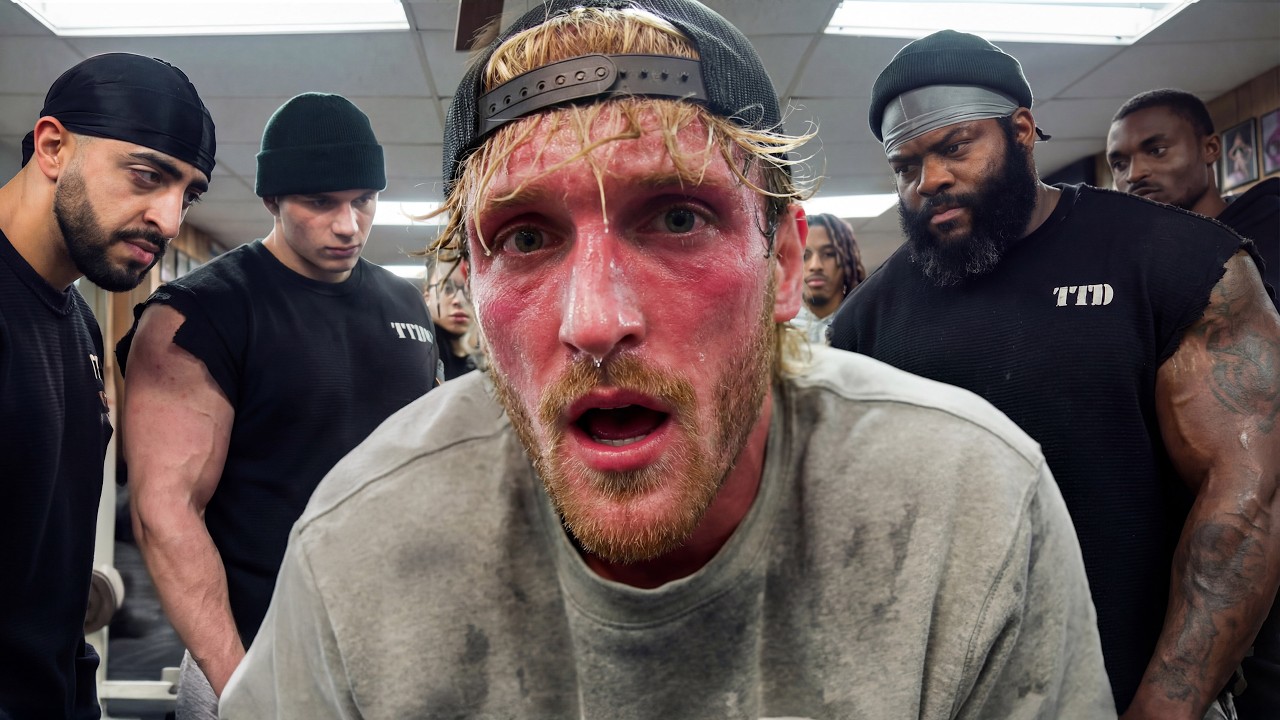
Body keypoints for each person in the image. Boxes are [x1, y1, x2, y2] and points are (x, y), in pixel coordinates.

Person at [220, 3, 1114, 718]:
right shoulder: (359, 544)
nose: (596, 322)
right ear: (474, 293)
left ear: (784, 263)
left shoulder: (968, 507)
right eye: (525, 237)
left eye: (679, 218)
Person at [829, 30, 1280, 720]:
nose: (930, 180)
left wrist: (1167, 705)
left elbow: (1249, 498)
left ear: (1021, 131)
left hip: (1136, 688)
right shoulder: (865, 322)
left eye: (956, 147)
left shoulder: (1176, 261)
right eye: (906, 164)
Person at [115, 93, 438, 717]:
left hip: (387, 649)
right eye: (320, 203)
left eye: (363, 200)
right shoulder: (201, 313)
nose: (348, 225)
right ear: (272, 200)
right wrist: (245, 689)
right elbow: (167, 513)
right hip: (253, 648)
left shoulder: (404, 304)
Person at [0, 53, 213, 720]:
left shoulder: (81, 326)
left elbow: (54, 578)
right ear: (53, 147)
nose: (169, 219)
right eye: (148, 176)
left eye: (188, 194)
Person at [1107, 89, 1278, 312]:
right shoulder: (1136, 264)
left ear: (1210, 149)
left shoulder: (1272, 231)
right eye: (1119, 164)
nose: (1134, 174)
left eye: (1157, 151)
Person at [790, 212, 865, 344]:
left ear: (847, 260)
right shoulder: (774, 330)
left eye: (828, 254)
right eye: (804, 256)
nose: (815, 266)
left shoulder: (867, 326)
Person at [424, 251, 477, 380]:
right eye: (447, 289)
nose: (459, 300)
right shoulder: (418, 357)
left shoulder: (491, 362)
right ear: (427, 297)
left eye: (469, 290)